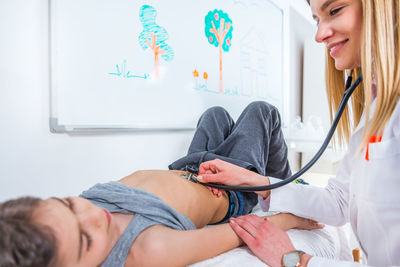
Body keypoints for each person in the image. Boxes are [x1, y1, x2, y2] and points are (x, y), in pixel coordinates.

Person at [197, 0, 400, 266]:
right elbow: (340, 201)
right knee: (223, 115)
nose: (318, 35)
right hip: (242, 192)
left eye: (335, 11)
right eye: (316, 19)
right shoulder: (377, 105)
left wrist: (293, 259)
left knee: (258, 112)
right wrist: (254, 181)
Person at [0, 102, 322, 267]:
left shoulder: (87, 210)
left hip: (193, 167)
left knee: (215, 115)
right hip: (230, 190)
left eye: (69, 204)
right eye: (86, 240)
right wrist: (294, 213)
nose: (93, 215)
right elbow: (238, 232)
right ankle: (289, 182)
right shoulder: (146, 251)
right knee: (261, 112)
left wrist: (191, 173)